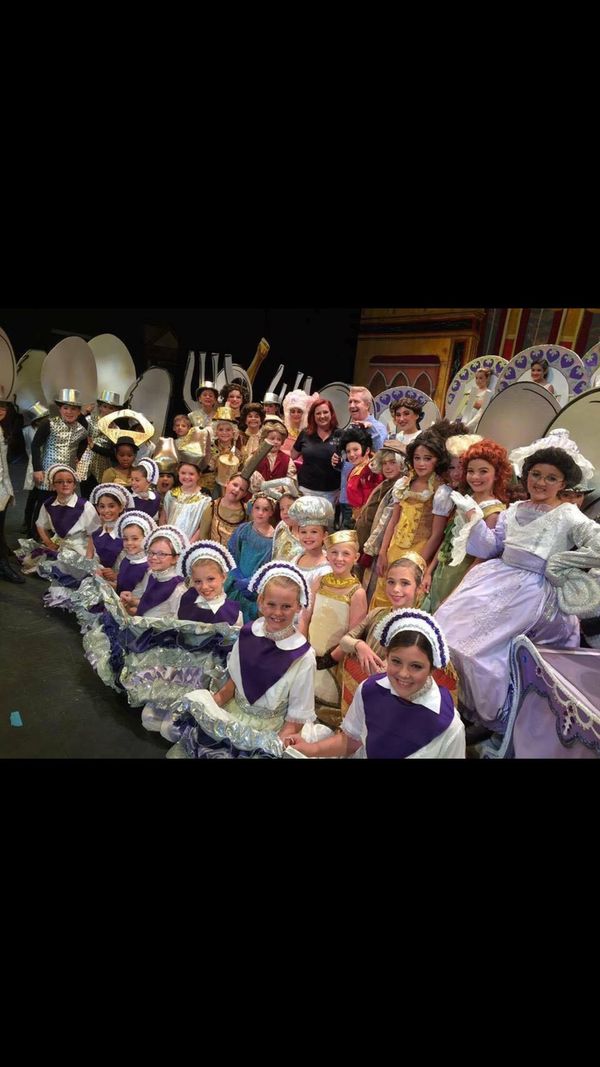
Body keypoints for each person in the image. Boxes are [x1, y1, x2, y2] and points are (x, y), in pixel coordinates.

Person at [435, 433, 600, 737]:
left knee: (483, 653)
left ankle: (494, 717)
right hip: (496, 579)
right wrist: (473, 516)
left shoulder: (569, 515)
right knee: (447, 633)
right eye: (536, 474)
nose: (541, 482)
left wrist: (566, 564)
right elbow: (489, 548)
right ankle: (455, 702)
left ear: (563, 483)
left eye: (551, 477)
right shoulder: (514, 510)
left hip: (533, 595)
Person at [166, 561, 317, 759]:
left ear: (298, 607)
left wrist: (273, 746)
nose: (277, 612)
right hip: (233, 713)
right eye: (271, 604)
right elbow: (232, 685)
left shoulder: (303, 656)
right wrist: (211, 707)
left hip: (269, 729)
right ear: (261, 602)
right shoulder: (248, 633)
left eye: (286, 606)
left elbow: (295, 719)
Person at [283, 608, 465, 759]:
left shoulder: (449, 725)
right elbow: (351, 740)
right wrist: (311, 749)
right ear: (386, 657)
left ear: (432, 669)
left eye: (416, 666)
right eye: (396, 661)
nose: (403, 674)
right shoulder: (370, 690)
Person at [136, 540, 243, 735]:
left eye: (211, 579)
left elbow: (234, 650)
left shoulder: (232, 612)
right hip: (181, 661)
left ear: (223, 577)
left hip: (209, 671)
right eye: (198, 581)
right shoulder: (187, 599)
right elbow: (178, 626)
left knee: (175, 725)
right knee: (151, 716)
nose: (204, 586)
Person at [422, 437, 508, 612]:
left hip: (461, 578)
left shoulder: (493, 512)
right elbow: (448, 540)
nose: (475, 477)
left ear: (497, 473)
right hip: (442, 572)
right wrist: (429, 571)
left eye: (483, 471)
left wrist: (455, 593)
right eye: (470, 471)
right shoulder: (465, 501)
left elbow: (480, 560)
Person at [369, 428, 451, 610]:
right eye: (417, 458)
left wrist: (417, 563)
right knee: (384, 595)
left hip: (419, 552)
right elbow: (394, 521)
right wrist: (383, 552)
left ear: (438, 459)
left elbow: (437, 534)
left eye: (427, 458)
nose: (421, 463)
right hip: (393, 550)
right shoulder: (403, 484)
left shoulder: (441, 491)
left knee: (407, 598)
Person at [299, 528, 367, 717]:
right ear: (326, 555)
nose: (339, 558)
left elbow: (353, 634)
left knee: (325, 702)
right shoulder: (320, 581)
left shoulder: (357, 593)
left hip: (334, 661)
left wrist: (330, 659)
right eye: (334, 553)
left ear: (356, 557)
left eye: (346, 554)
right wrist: (303, 646)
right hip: (309, 653)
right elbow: (306, 616)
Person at [224, 492, 277, 621]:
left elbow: (271, 565)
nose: (260, 513)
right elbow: (231, 553)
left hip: (256, 588)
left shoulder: (274, 538)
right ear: (251, 509)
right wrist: (236, 576)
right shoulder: (243, 529)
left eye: (265, 509)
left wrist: (253, 582)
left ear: (271, 512)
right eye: (257, 508)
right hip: (236, 583)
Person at [120, 526, 189, 618]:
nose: (154, 557)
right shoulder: (151, 574)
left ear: (175, 559)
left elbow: (177, 621)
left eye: (161, 554)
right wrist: (132, 601)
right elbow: (151, 606)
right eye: (151, 552)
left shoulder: (178, 589)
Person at [290, 398, 341, 504]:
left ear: (331, 413)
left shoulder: (341, 435)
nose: (322, 416)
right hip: (305, 491)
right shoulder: (305, 434)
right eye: (318, 413)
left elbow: (348, 465)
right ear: (313, 416)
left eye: (325, 412)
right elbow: (292, 456)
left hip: (331, 492)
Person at [0, 388, 25, 583]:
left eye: (4, 406)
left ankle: (3, 562)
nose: (1, 409)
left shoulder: (1, 429)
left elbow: (3, 465)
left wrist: (8, 490)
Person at [78, 390, 124, 497]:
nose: (107, 410)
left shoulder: (116, 429)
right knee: (83, 496)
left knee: (98, 496)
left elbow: (114, 453)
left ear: (116, 410)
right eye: (104, 406)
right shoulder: (90, 419)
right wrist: (84, 413)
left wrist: (95, 447)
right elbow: (76, 432)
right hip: (85, 464)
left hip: (102, 466)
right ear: (99, 407)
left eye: (111, 408)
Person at [88, 483, 134, 577]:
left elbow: (135, 566)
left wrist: (117, 575)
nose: (106, 511)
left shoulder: (128, 535)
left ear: (121, 507)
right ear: (97, 508)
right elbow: (89, 558)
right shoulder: (95, 533)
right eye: (102, 506)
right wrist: (95, 569)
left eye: (111, 506)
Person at [159, 460, 212, 541]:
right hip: (169, 540)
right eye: (183, 473)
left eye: (191, 474)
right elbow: (163, 519)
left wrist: (190, 545)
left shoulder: (204, 499)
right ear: (178, 473)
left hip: (190, 543)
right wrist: (164, 538)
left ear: (199, 475)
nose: (187, 477)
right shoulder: (171, 494)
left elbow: (202, 527)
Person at [341, 423, 383, 524]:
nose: (351, 455)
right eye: (348, 451)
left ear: (367, 450)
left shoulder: (372, 471)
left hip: (369, 519)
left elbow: (373, 501)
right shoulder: (356, 468)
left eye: (355, 450)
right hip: (357, 516)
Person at [286, 495, 334, 581]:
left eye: (314, 532)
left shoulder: (327, 568)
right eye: (303, 532)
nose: (308, 536)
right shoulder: (296, 558)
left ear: (324, 535)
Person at [113, 510, 156, 595]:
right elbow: (120, 585)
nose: (129, 543)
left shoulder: (149, 567)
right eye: (125, 539)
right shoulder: (125, 558)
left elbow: (142, 595)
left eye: (135, 539)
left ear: (146, 539)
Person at [250, 417, 297, 493]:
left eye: (279, 439)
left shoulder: (287, 460)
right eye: (272, 438)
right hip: (257, 497)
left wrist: (282, 488)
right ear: (264, 439)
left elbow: (292, 480)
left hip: (278, 498)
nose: (275, 442)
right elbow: (247, 476)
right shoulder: (255, 456)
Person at [346, 386, 388, 453]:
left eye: (356, 401)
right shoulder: (350, 428)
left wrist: (371, 429)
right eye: (350, 402)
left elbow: (380, 453)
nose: (352, 406)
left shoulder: (379, 428)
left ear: (367, 405)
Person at [282, 389, 315, 457]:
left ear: (304, 414)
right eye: (293, 411)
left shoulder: (308, 432)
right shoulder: (282, 430)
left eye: (299, 411)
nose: (296, 414)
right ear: (289, 413)